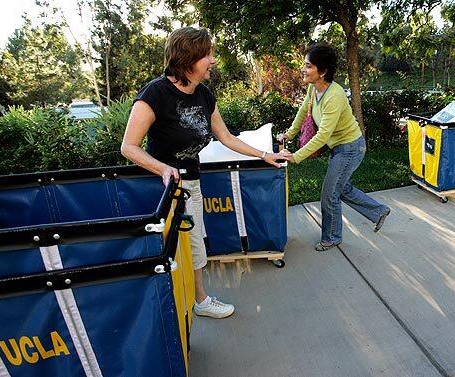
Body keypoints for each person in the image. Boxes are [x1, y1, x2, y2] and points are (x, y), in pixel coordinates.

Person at [121, 27, 291, 318]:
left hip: (192, 184)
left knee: (196, 243)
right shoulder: (155, 94)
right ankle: (159, 310)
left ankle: (200, 302)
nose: (213, 60)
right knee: (164, 251)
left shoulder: (203, 94)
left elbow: (226, 137)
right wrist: (163, 168)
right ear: (188, 59)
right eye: (207, 54)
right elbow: (129, 147)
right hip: (161, 190)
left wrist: (265, 155)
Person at [278, 43, 390, 252]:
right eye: (304, 64)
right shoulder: (313, 89)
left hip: (350, 148)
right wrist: (289, 134)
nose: (303, 69)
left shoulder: (334, 96)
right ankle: (379, 211)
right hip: (339, 147)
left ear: (323, 71)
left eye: (308, 66)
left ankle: (331, 237)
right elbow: (303, 112)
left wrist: (296, 156)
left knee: (329, 194)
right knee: (341, 188)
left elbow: (323, 135)